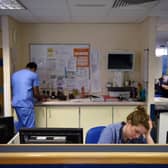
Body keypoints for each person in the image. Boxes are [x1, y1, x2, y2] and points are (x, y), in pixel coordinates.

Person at [11, 62, 43, 130]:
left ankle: (19, 140)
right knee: (30, 128)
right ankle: (28, 140)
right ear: (34, 69)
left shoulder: (15, 74)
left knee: (21, 125)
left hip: (16, 104)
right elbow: (36, 94)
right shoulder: (33, 75)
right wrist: (41, 98)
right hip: (26, 104)